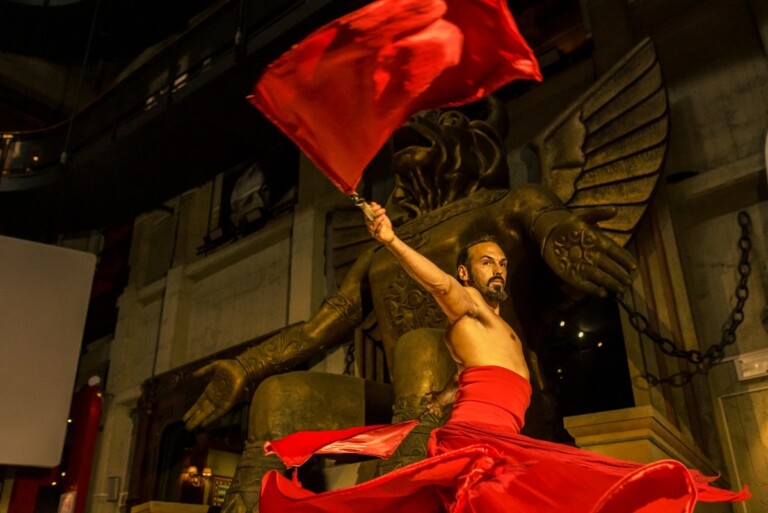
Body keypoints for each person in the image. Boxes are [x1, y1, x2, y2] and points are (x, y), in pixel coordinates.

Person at [254, 202, 750, 513]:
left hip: (506, 438)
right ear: (466, 275)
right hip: (479, 442)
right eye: (486, 261)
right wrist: (390, 240)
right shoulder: (465, 304)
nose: (498, 269)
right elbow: (436, 281)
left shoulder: (503, 328)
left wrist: (442, 398)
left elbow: (470, 373)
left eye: (503, 262)